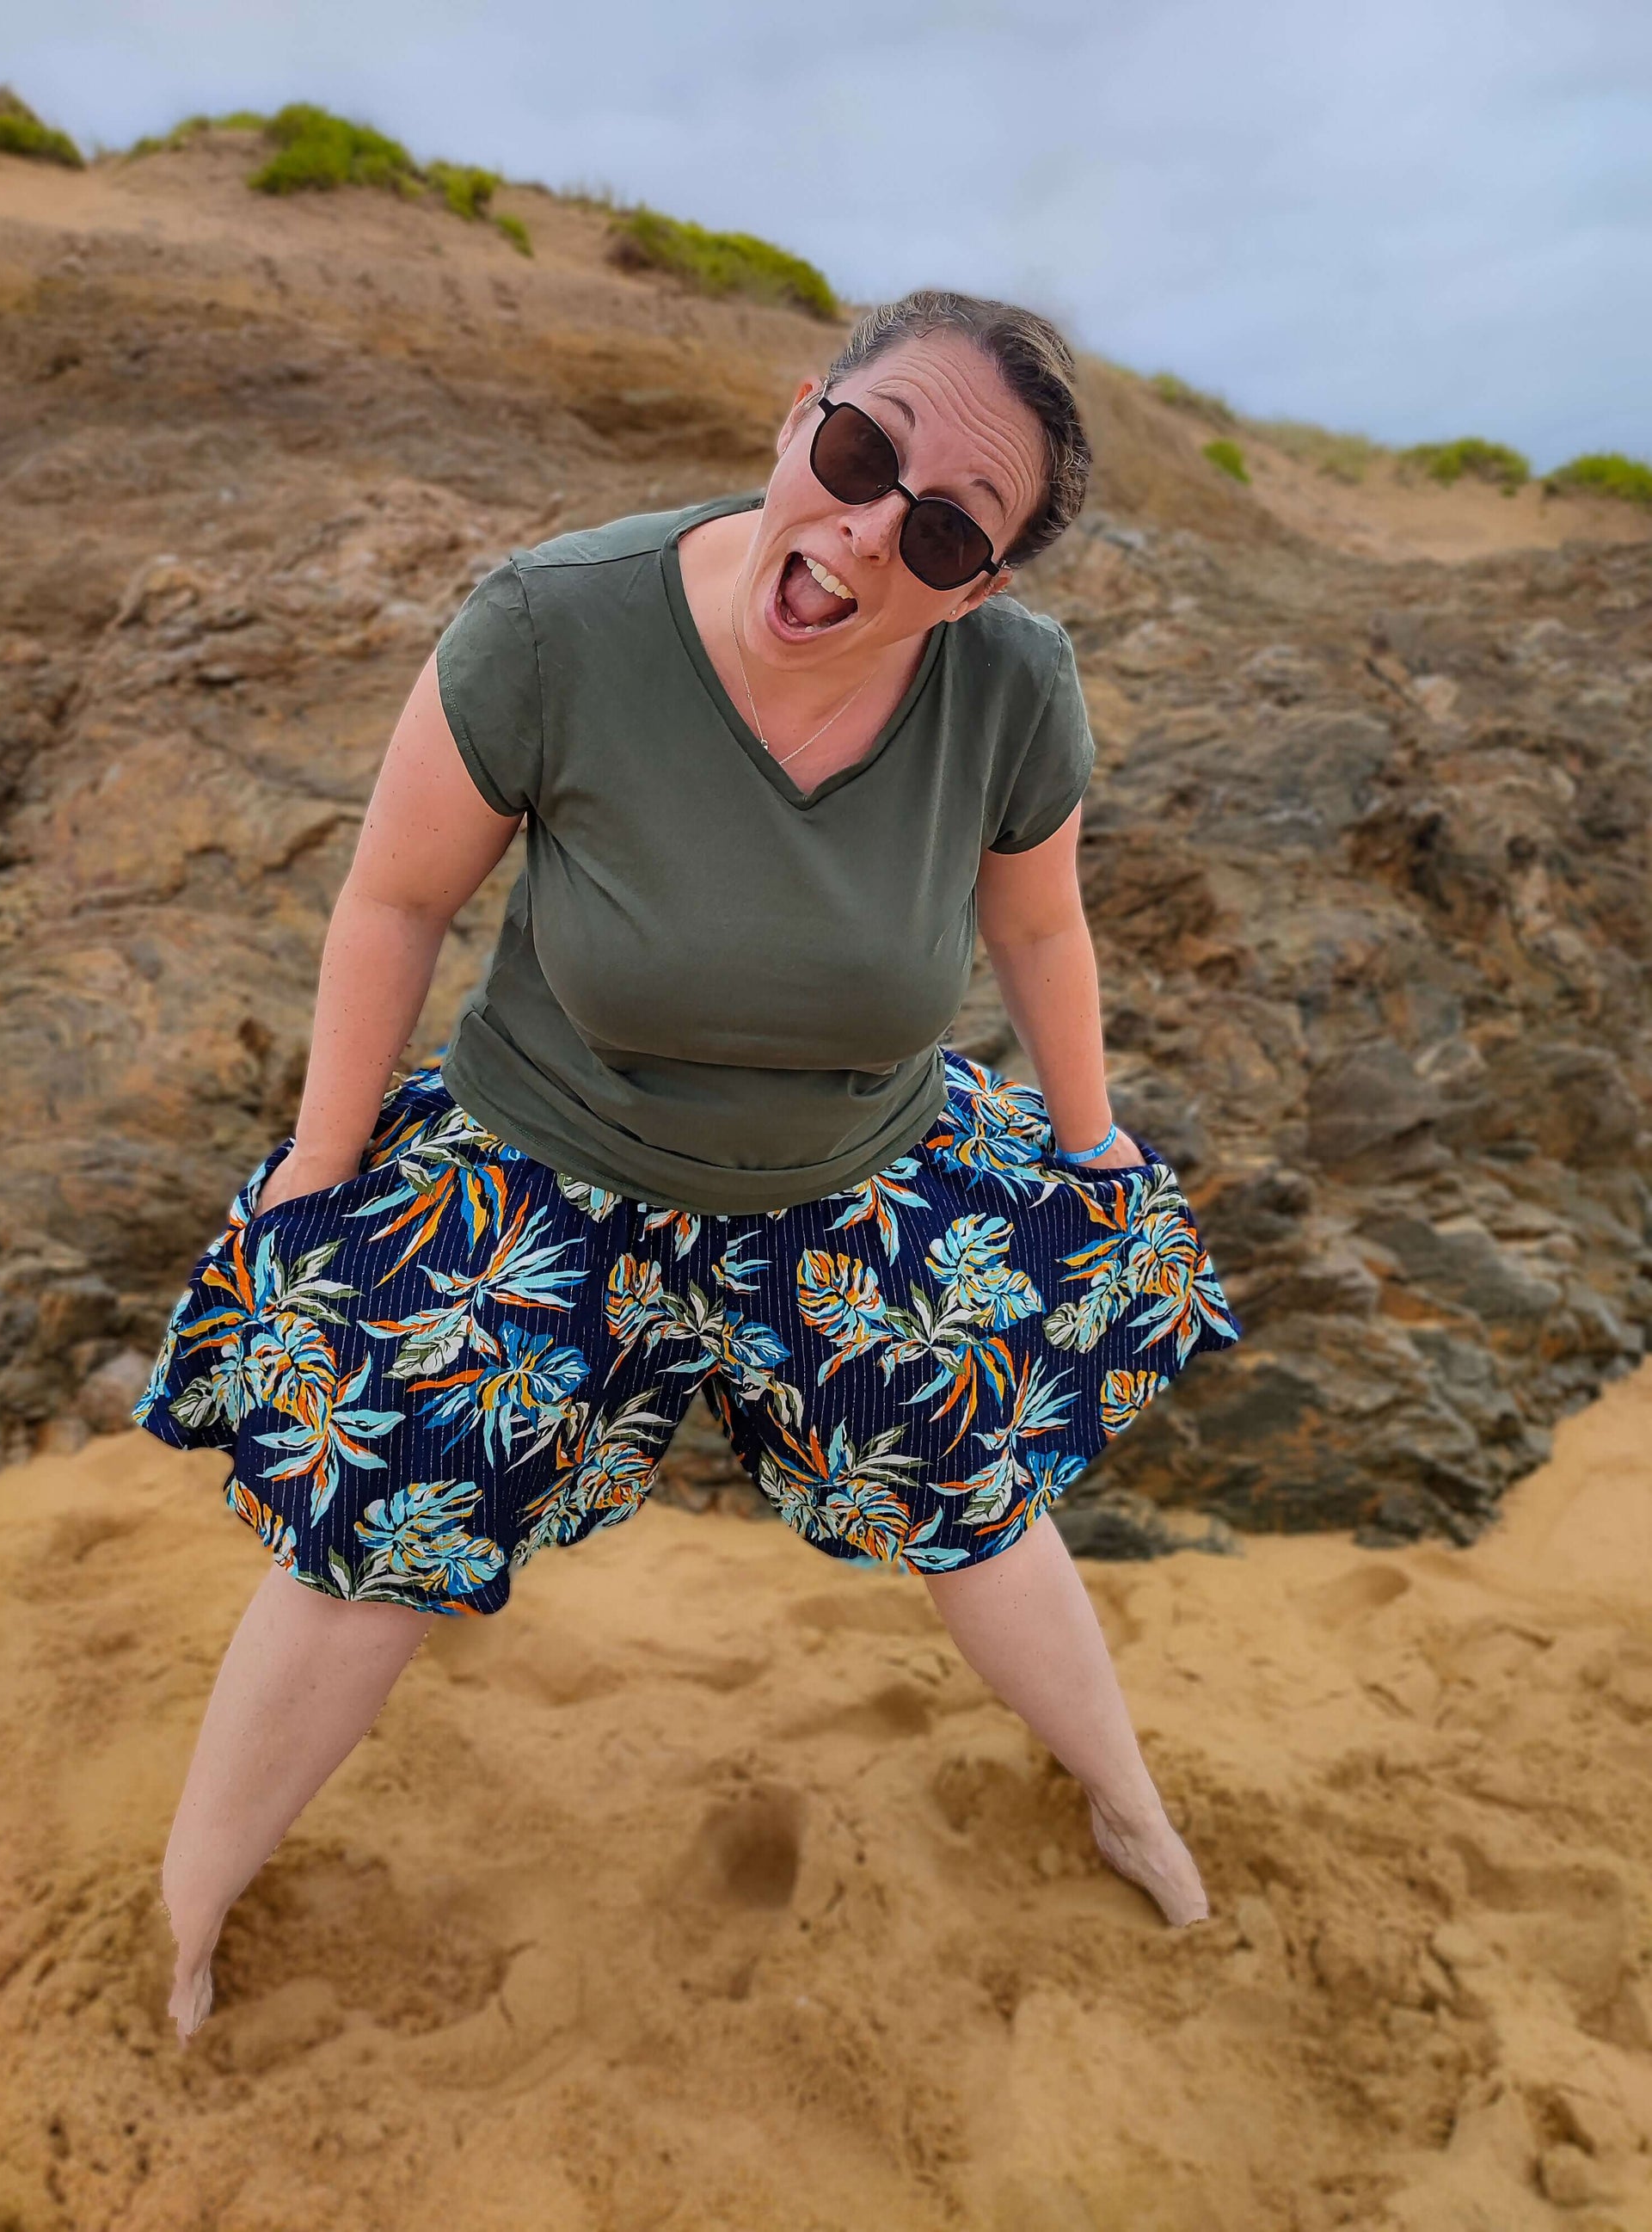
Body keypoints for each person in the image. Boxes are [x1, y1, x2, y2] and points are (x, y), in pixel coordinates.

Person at [135, 287, 1243, 2044]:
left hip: (854, 1157)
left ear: (985, 584)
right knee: (381, 1514)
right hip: (547, 1153)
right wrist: (323, 1163)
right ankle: (192, 1904)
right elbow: (397, 899)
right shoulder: (553, 625)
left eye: (947, 527)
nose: (872, 528)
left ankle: (1126, 1798)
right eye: (863, 451)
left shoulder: (1007, 690)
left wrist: (1096, 1145)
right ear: (803, 411)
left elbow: (1039, 929)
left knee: (972, 1482)